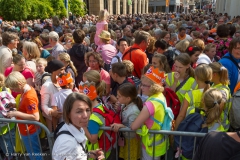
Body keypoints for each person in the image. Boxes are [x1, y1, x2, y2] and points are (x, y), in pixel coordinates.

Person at [131, 66, 173, 159]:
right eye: (141, 84)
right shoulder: (160, 96)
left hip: (150, 145)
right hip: (158, 142)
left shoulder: (151, 104)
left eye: (144, 85)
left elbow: (134, 126)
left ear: (154, 87)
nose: (141, 87)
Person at [52, 92, 105, 160]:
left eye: (87, 110)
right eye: (79, 111)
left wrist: (91, 154)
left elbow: (76, 154)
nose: (85, 116)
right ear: (68, 114)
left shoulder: (78, 128)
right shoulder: (68, 143)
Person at [5, 72, 42, 160]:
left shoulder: (29, 97)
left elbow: (35, 117)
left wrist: (15, 113)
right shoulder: (26, 90)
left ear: (19, 84)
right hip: (28, 130)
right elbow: (26, 106)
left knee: (35, 155)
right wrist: (15, 105)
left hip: (30, 131)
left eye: (13, 88)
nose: (13, 91)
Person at [175, 64, 212, 129]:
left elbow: (181, 116)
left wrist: (175, 132)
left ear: (196, 77)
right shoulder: (213, 93)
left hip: (191, 129)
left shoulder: (190, 94)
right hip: (208, 130)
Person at [111, 83, 141, 160]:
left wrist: (122, 126)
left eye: (120, 96)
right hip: (126, 139)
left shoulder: (134, 111)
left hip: (131, 141)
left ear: (128, 98)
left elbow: (132, 130)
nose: (117, 97)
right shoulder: (124, 105)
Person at [40, 60, 65, 132]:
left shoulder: (62, 80)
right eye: (61, 70)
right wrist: (52, 112)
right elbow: (43, 105)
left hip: (63, 118)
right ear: (54, 71)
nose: (64, 72)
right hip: (52, 121)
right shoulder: (46, 86)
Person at [209, 62, 230, 131]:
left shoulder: (222, 90)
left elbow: (220, 107)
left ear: (214, 74)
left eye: (208, 73)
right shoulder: (214, 85)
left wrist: (210, 120)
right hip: (215, 126)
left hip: (220, 127)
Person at [0, 73, 15, 160]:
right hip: (10, 118)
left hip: (2, 121)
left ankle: (9, 155)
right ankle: (11, 154)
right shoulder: (7, 90)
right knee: (10, 137)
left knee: (4, 139)